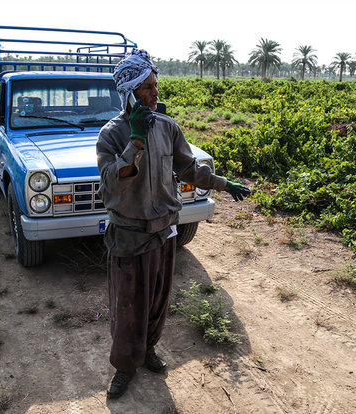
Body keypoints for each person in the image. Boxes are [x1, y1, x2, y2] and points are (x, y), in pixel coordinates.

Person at [96, 48, 250, 399]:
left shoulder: (167, 127)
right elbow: (111, 183)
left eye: (155, 85)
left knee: (156, 302)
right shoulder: (111, 135)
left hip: (164, 233)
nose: (155, 93)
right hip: (129, 237)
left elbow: (189, 169)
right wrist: (135, 142)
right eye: (147, 87)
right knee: (127, 306)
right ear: (130, 92)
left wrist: (224, 183)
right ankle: (124, 367)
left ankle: (148, 350)